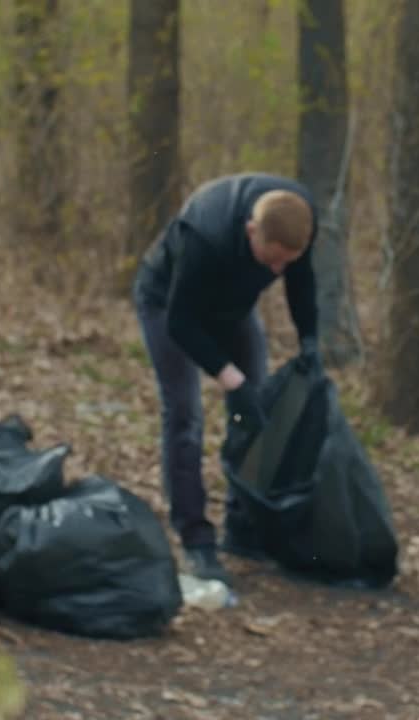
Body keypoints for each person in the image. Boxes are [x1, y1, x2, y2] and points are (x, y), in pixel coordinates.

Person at [132, 172, 322, 586]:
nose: (277, 269)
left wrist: (309, 338)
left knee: (256, 411)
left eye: (285, 261)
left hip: (232, 308)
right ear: (251, 230)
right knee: (185, 415)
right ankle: (196, 539)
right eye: (271, 260)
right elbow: (182, 323)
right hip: (169, 306)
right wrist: (229, 378)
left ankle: (242, 525)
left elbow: (301, 280)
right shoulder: (205, 234)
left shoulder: (299, 217)